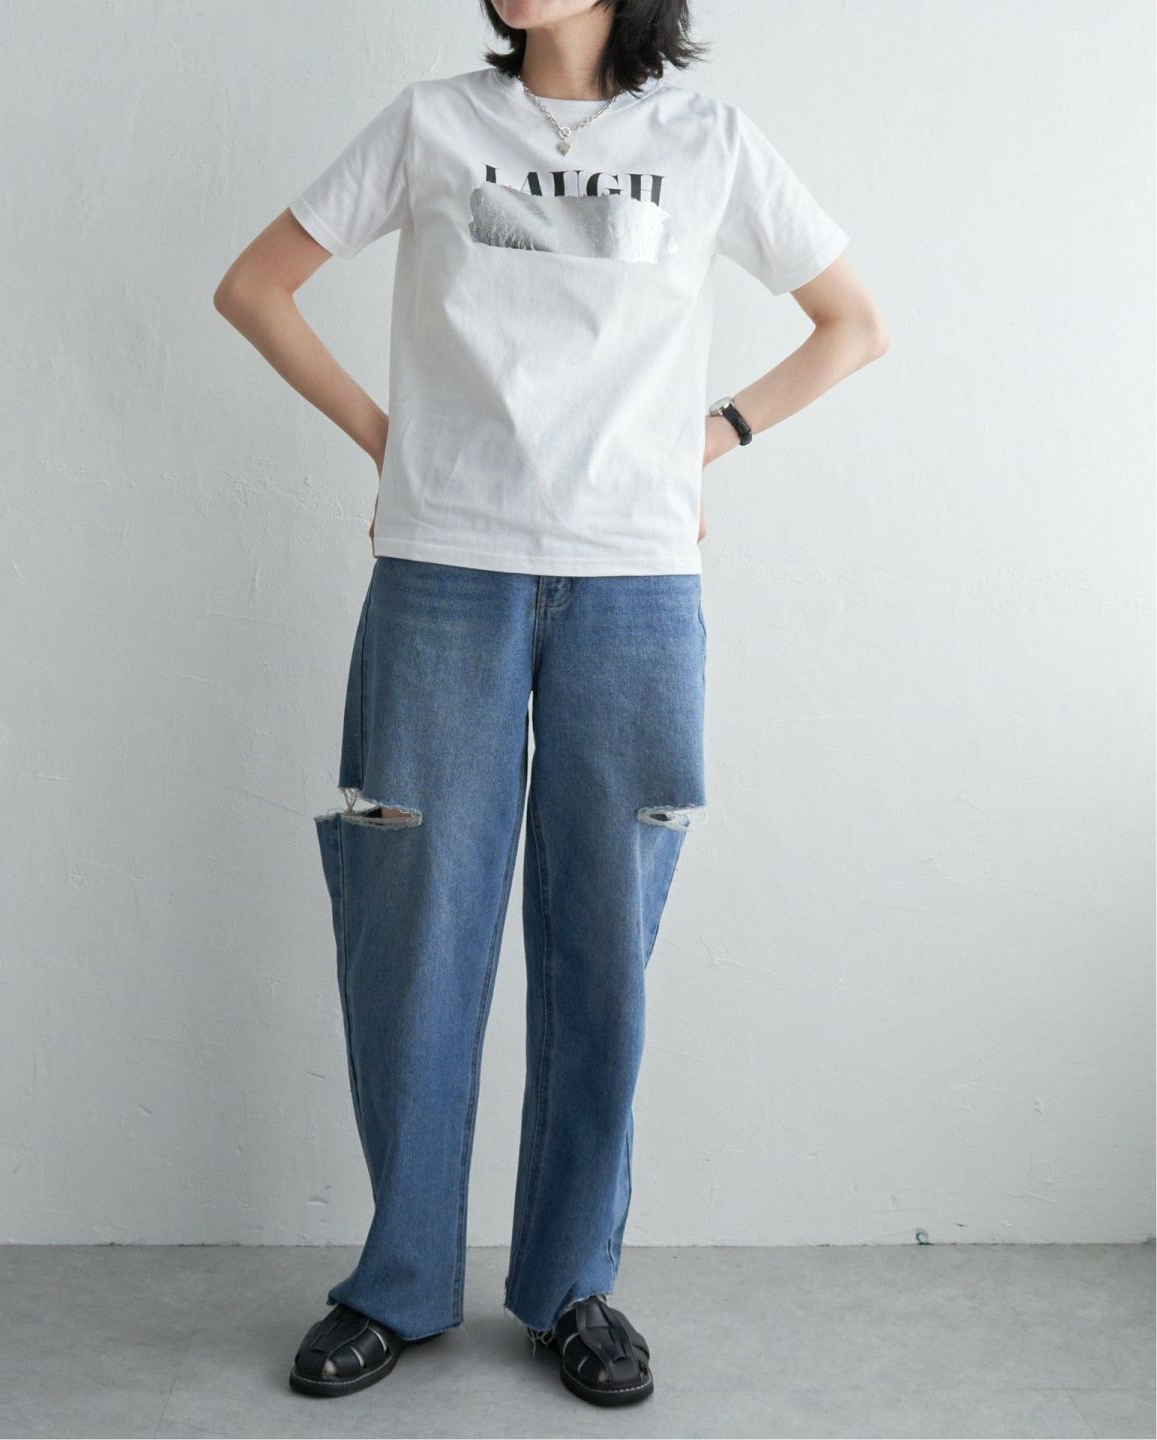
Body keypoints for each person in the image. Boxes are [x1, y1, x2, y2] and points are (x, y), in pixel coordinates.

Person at [213, 0, 887, 1409]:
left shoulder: (706, 141)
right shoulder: (432, 123)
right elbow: (256, 287)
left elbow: (853, 323)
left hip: (634, 591)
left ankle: (572, 1285)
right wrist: (391, 445)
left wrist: (711, 441)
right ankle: (399, 1282)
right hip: (440, 578)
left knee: (602, 946)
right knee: (413, 935)